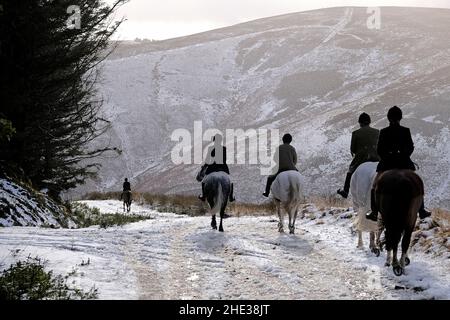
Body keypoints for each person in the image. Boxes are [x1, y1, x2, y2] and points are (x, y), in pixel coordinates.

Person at [366, 106, 431, 221]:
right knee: (418, 184)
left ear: (388, 118)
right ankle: (421, 210)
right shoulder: (406, 130)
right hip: (404, 163)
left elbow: (380, 150)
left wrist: (389, 155)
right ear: (400, 118)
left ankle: (374, 212)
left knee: (375, 186)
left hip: (387, 164)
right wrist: (402, 155)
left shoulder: (384, 131)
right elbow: (410, 147)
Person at [337, 113, 379, 198]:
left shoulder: (356, 133)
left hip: (361, 159)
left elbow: (353, 149)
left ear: (360, 123)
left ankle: (345, 191)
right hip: (376, 158)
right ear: (369, 122)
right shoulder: (377, 132)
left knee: (350, 171)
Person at [198, 134, 235, 202]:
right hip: (223, 168)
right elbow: (224, 159)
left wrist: (205, 166)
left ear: (214, 141)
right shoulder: (224, 148)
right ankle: (231, 197)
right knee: (230, 182)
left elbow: (207, 159)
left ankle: (203, 196)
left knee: (203, 182)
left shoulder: (210, 148)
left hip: (212, 168)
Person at [262, 133, 298, 197]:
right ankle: (299, 193)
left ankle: (266, 192)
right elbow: (295, 160)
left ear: (283, 140)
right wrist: (291, 165)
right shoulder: (292, 148)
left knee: (269, 179)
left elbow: (274, 159)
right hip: (291, 168)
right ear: (290, 140)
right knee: (298, 176)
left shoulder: (279, 147)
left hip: (280, 168)